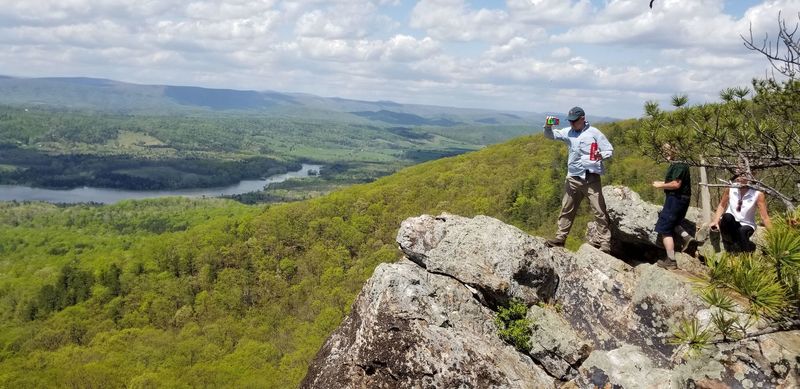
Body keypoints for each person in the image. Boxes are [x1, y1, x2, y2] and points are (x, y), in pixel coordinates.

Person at [543, 106, 613, 253]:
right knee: (567, 209)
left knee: (599, 210)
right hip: (573, 177)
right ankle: (560, 239)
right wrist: (548, 126)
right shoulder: (568, 132)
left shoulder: (594, 133)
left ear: (583, 119)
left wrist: (601, 155)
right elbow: (550, 136)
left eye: (575, 121)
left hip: (591, 177)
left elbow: (609, 150)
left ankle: (605, 242)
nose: (572, 124)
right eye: (570, 121)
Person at [652, 144, 695, 270]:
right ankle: (687, 237)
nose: (665, 154)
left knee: (665, 229)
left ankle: (671, 260)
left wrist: (661, 185)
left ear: (674, 150)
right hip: (679, 199)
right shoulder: (678, 164)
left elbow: (676, 184)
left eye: (667, 151)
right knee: (673, 222)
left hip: (676, 199)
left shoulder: (679, 164)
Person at [708, 175, 772, 253]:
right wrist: (716, 221)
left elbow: (764, 217)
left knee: (742, 231)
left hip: (747, 225)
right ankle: (735, 242)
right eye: (738, 173)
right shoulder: (731, 188)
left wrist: (773, 234)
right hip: (731, 223)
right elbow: (722, 205)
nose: (739, 177)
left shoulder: (757, 194)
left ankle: (747, 258)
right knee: (727, 216)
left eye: (743, 174)